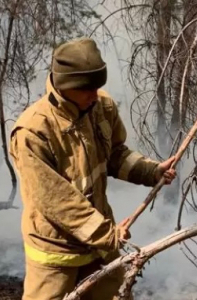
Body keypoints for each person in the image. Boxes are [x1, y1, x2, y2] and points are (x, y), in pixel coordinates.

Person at [9, 37, 176, 300]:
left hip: (99, 248)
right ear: (65, 86)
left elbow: (115, 155)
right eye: (87, 88)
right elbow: (55, 201)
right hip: (56, 254)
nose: (95, 95)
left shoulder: (100, 105)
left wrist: (151, 171)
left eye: (98, 87)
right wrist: (106, 234)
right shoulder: (32, 131)